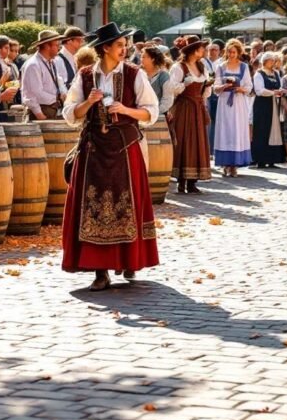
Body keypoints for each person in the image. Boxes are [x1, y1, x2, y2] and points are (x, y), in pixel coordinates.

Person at [61, 22, 160, 291]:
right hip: (93, 149)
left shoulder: (133, 74)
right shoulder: (84, 76)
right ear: (105, 48)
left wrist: (126, 110)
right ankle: (100, 271)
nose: (124, 50)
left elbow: (151, 111)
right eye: (119, 45)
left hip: (125, 150)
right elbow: (70, 114)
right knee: (92, 207)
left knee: (126, 205)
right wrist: (88, 103)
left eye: (125, 45)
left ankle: (128, 259)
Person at [169, 37, 213, 193]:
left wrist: (207, 87)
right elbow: (171, 88)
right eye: (201, 49)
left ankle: (192, 182)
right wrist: (184, 84)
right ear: (194, 51)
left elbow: (206, 92)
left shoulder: (201, 67)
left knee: (198, 142)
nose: (204, 51)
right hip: (184, 108)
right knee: (184, 141)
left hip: (198, 107)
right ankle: (182, 181)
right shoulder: (179, 67)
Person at [213, 39, 253, 176]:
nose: (231, 54)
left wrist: (240, 89)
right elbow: (215, 87)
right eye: (229, 52)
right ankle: (225, 163)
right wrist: (224, 86)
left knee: (237, 130)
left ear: (238, 53)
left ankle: (235, 164)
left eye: (234, 52)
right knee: (225, 130)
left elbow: (249, 86)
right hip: (224, 102)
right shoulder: (221, 67)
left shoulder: (244, 67)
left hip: (238, 102)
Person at [21, 30, 67, 120]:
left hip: (51, 110)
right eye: (56, 45)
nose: (59, 48)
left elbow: (58, 80)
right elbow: (32, 95)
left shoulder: (51, 62)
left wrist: (63, 94)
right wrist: (39, 114)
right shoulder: (33, 65)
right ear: (47, 46)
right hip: (41, 112)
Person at [252, 52, 286, 168]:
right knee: (262, 131)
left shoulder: (276, 73)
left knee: (274, 130)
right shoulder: (259, 74)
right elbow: (259, 90)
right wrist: (273, 92)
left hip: (274, 105)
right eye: (270, 60)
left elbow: (279, 86)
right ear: (264, 61)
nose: (272, 62)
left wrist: (282, 91)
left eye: (273, 60)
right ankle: (261, 159)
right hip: (262, 105)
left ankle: (272, 159)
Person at [141, 46, 174, 116]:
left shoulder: (163, 76)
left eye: (144, 57)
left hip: (158, 115)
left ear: (152, 59)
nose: (141, 59)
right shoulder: (140, 74)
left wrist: (153, 113)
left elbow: (167, 99)